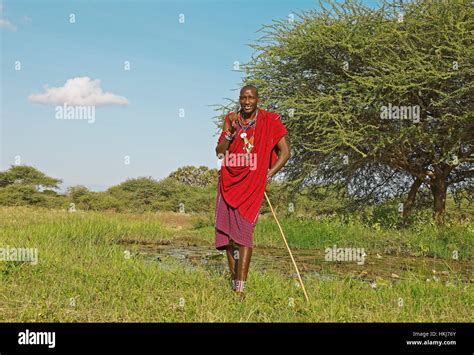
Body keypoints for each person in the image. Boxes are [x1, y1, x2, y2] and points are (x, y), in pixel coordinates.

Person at [214, 84, 291, 299]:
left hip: (252, 184)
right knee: (229, 236)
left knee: (244, 234)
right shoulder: (231, 119)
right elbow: (220, 153)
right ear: (239, 99)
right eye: (243, 98)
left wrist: (268, 174)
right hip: (228, 179)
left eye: (251, 98)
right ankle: (233, 283)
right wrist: (229, 134)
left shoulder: (269, 120)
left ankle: (240, 290)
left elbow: (286, 152)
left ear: (257, 99)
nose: (247, 102)